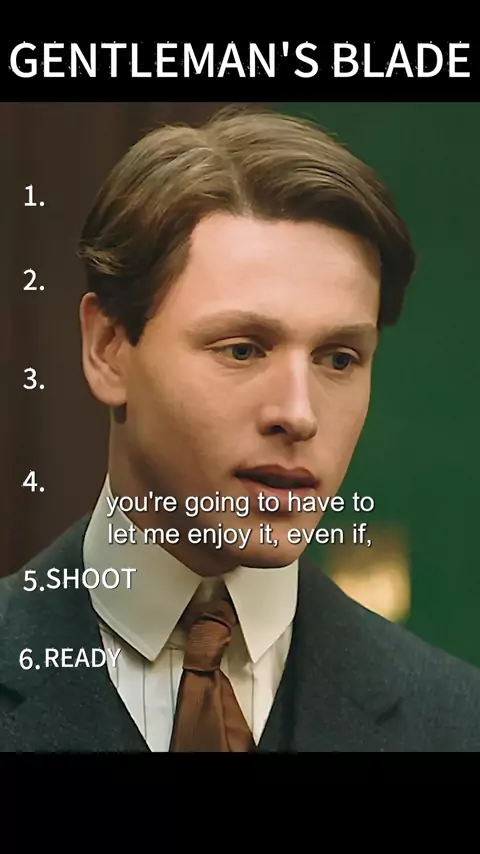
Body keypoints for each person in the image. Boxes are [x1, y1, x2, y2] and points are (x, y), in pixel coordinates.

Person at [1, 105, 480, 752]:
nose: (299, 413)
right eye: (243, 349)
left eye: (339, 359)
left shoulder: (457, 722)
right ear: (108, 349)